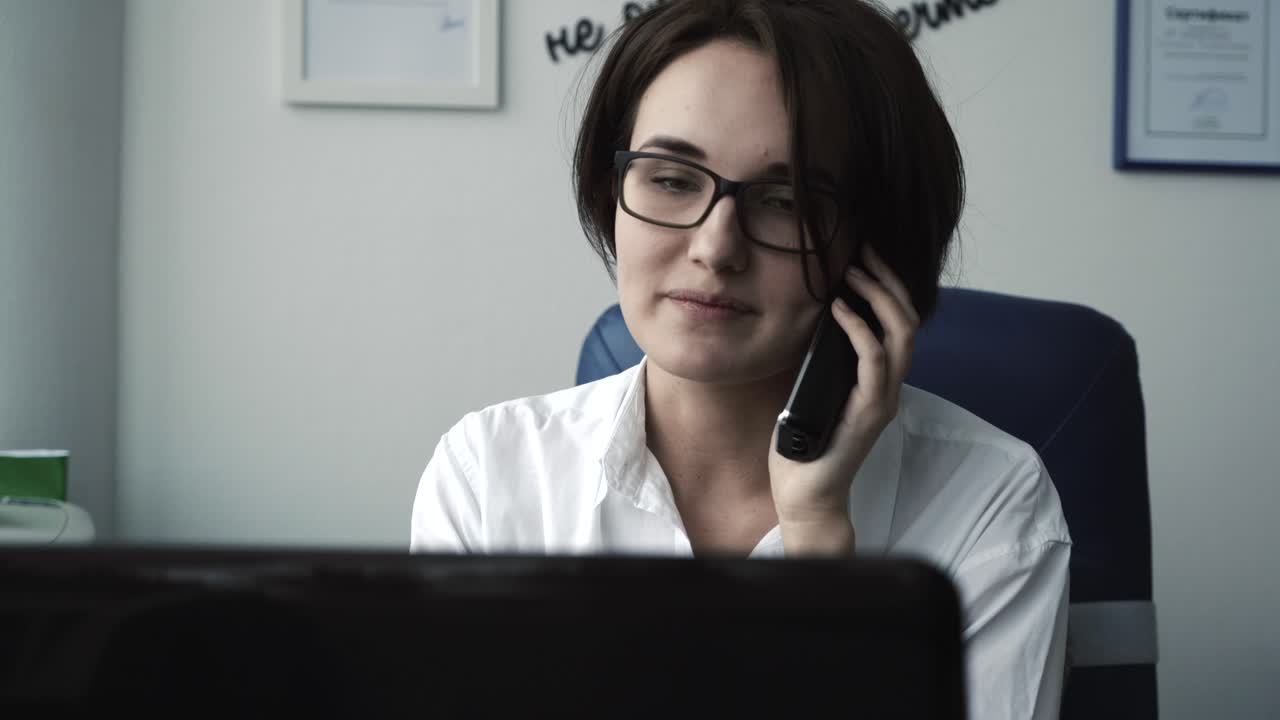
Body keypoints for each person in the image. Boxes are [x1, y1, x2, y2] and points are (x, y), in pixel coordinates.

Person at [411, 1, 1071, 717]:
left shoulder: (991, 503)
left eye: (784, 201)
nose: (715, 248)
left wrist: (817, 542)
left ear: (872, 248)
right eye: (669, 179)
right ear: (613, 194)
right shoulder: (492, 475)